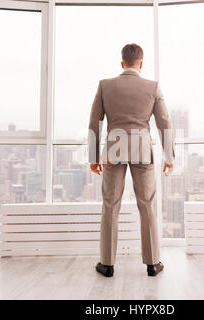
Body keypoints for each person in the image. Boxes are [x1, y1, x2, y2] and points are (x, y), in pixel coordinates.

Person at [88, 43, 175, 277]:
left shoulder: (105, 86)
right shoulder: (152, 86)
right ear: (141, 63)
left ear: (122, 63)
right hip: (142, 148)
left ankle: (107, 264)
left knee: (110, 205)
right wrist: (170, 156)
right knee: (147, 205)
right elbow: (164, 122)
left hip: (114, 149)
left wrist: (93, 156)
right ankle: (153, 263)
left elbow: (95, 122)